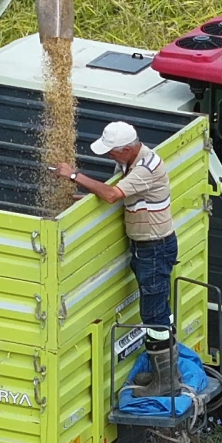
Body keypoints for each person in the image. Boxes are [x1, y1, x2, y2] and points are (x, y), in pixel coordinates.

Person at [56, 122, 182, 394]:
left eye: (111, 151)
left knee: (154, 315)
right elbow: (116, 195)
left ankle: (167, 382)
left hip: (154, 249)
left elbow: (112, 194)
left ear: (126, 149)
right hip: (147, 247)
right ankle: (165, 373)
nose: (108, 156)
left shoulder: (146, 168)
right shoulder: (127, 163)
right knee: (157, 311)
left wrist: (74, 175)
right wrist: (81, 200)